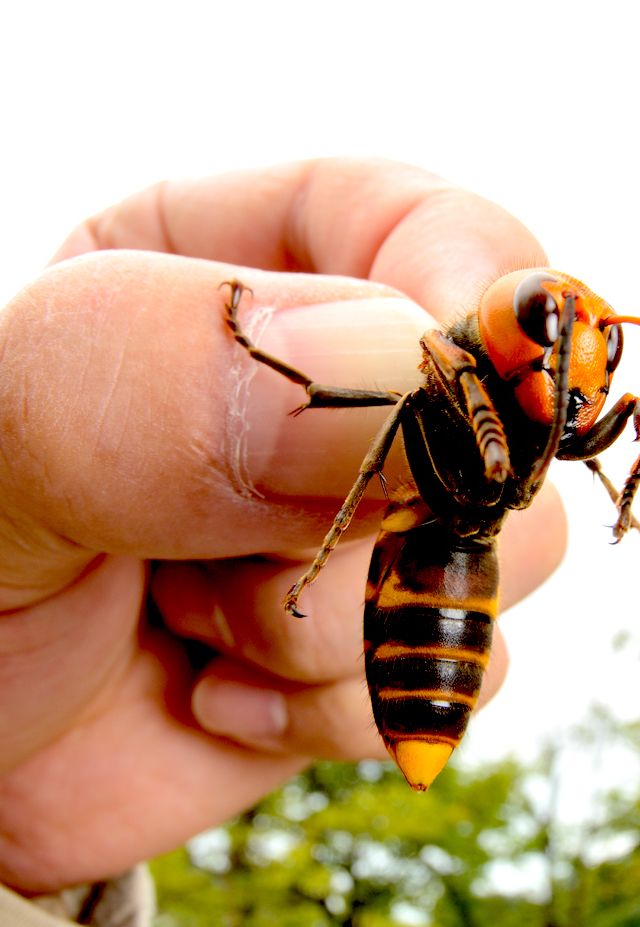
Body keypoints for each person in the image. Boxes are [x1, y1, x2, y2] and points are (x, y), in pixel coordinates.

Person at [0, 159, 568, 926]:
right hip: (431, 571)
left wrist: (23, 863)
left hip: (452, 565)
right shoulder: (443, 353)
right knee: (394, 400)